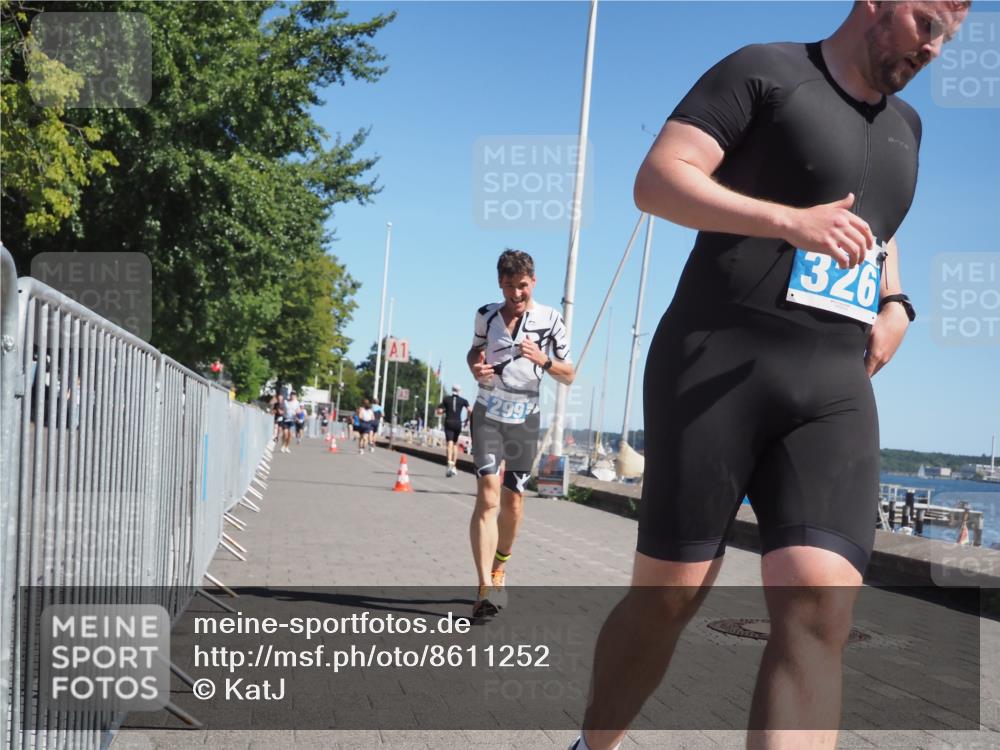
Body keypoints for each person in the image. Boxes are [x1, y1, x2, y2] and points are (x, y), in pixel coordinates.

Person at [573, 3, 970, 750]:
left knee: (821, 610)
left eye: (949, 34)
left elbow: (877, 229)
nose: (936, 46)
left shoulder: (907, 127)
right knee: (669, 599)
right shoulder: (765, 70)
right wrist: (787, 221)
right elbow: (657, 180)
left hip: (832, 384)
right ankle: (593, 744)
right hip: (715, 365)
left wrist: (897, 303)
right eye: (926, 20)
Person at [467, 249, 574, 620]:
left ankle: (500, 566)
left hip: (525, 417)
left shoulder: (551, 319)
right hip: (487, 413)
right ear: (500, 283)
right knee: (488, 494)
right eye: (509, 286)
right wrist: (476, 368)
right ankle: (483, 589)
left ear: (534, 281)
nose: (516, 293)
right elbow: (474, 351)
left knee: (513, 502)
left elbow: (569, 373)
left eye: (522, 286)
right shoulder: (486, 314)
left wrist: (541, 359)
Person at [436, 384, 470, 477]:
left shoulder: (446, 399)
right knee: (455, 444)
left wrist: (444, 411)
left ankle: (449, 464)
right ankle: (454, 465)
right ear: (459, 391)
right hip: (458, 423)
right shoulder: (463, 400)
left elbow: (439, 411)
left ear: (452, 390)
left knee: (449, 443)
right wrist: (467, 420)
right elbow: (470, 410)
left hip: (449, 422)